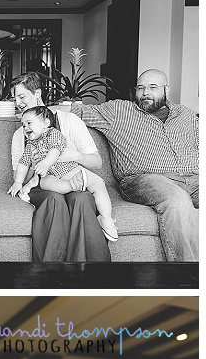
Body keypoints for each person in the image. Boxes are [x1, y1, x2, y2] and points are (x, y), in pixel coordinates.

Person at [72, 68, 198, 262]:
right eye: (141, 88)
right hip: (146, 179)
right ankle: (190, 277)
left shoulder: (186, 115)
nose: (145, 92)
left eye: (153, 87)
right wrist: (36, 106)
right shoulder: (118, 111)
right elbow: (75, 111)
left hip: (194, 178)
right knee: (177, 200)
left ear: (167, 89)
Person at [10, 71, 111, 264]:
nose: (18, 102)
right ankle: (49, 272)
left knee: (81, 199)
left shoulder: (69, 121)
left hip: (70, 177)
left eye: (22, 96)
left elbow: (97, 162)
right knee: (54, 200)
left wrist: (75, 155)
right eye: (15, 98)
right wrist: (35, 160)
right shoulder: (20, 135)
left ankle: (91, 273)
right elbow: (19, 176)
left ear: (38, 93)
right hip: (43, 185)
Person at [10, 105, 118, 240]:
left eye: (29, 123)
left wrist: (44, 163)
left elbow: (55, 149)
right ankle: (72, 185)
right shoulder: (31, 145)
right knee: (47, 183)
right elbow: (23, 163)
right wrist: (18, 182)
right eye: (23, 125)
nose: (25, 128)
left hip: (70, 169)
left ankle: (106, 218)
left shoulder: (53, 133)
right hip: (50, 174)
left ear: (46, 123)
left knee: (99, 184)